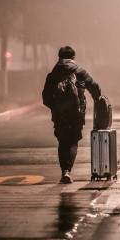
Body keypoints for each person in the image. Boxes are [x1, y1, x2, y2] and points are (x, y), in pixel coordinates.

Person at [42, 46, 101, 184]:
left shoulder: (53, 74)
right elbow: (94, 86)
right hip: (76, 113)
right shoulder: (79, 71)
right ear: (73, 57)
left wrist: (56, 108)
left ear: (59, 57)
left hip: (60, 115)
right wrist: (97, 99)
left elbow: (45, 98)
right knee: (73, 141)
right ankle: (68, 170)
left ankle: (65, 171)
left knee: (63, 141)